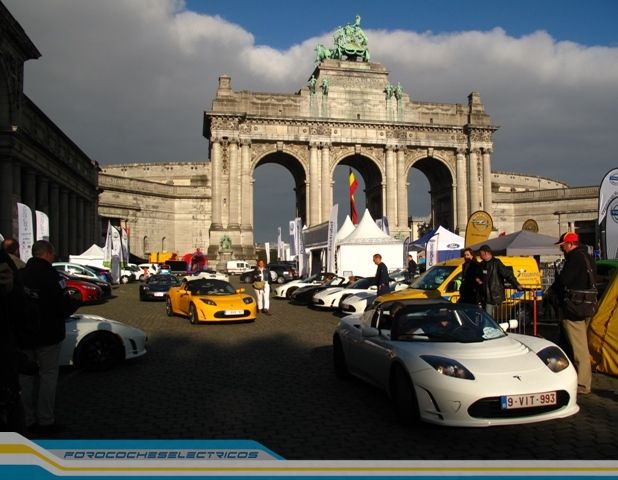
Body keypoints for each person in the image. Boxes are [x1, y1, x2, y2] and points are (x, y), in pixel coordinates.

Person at [18, 240, 79, 434]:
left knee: (25, 379)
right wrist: (74, 304)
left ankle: (26, 419)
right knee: (48, 377)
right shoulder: (53, 277)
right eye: (52, 254)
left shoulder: (19, 275)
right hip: (48, 335)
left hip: (23, 336)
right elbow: (63, 306)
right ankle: (45, 420)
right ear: (47, 254)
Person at [550, 232, 595, 395]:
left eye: (562, 246)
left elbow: (563, 281)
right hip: (587, 305)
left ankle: (583, 383)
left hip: (573, 308)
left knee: (579, 347)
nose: (562, 249)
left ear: (570, 244)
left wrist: (554, 291)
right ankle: (568, 376)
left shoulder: (574, 259)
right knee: (571, 345)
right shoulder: (588, 257)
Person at [476, 244, 522, 317]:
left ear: (486, 253)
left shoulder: (496, 263)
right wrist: (478, 279)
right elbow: (478, 275)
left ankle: (490, 327)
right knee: (486, 316)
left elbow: (507, 274)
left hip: (493, 295)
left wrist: (516, 284)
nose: (479, 256)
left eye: (480, 253)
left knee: (488, 316)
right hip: (483, 295)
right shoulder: (482, 264)